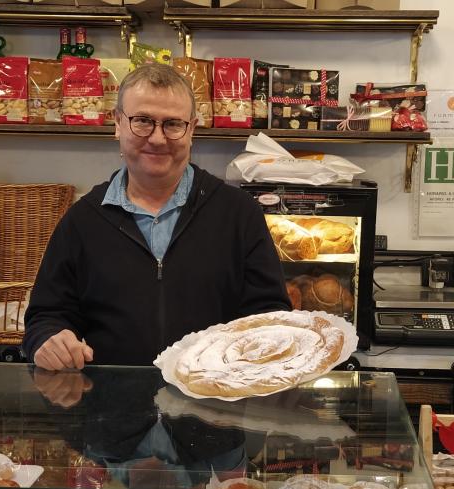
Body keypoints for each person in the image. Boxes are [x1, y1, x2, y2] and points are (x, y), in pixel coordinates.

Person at [23, 63, 290, 370]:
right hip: (110, 412)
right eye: (143, 121)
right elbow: (45, 318)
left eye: (173, 124)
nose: (158, 139)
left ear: (192, 129)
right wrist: (48, 340)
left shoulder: (239, 214)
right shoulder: (82, 221)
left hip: (212, 410)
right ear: (118, 124)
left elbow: (271, 315)